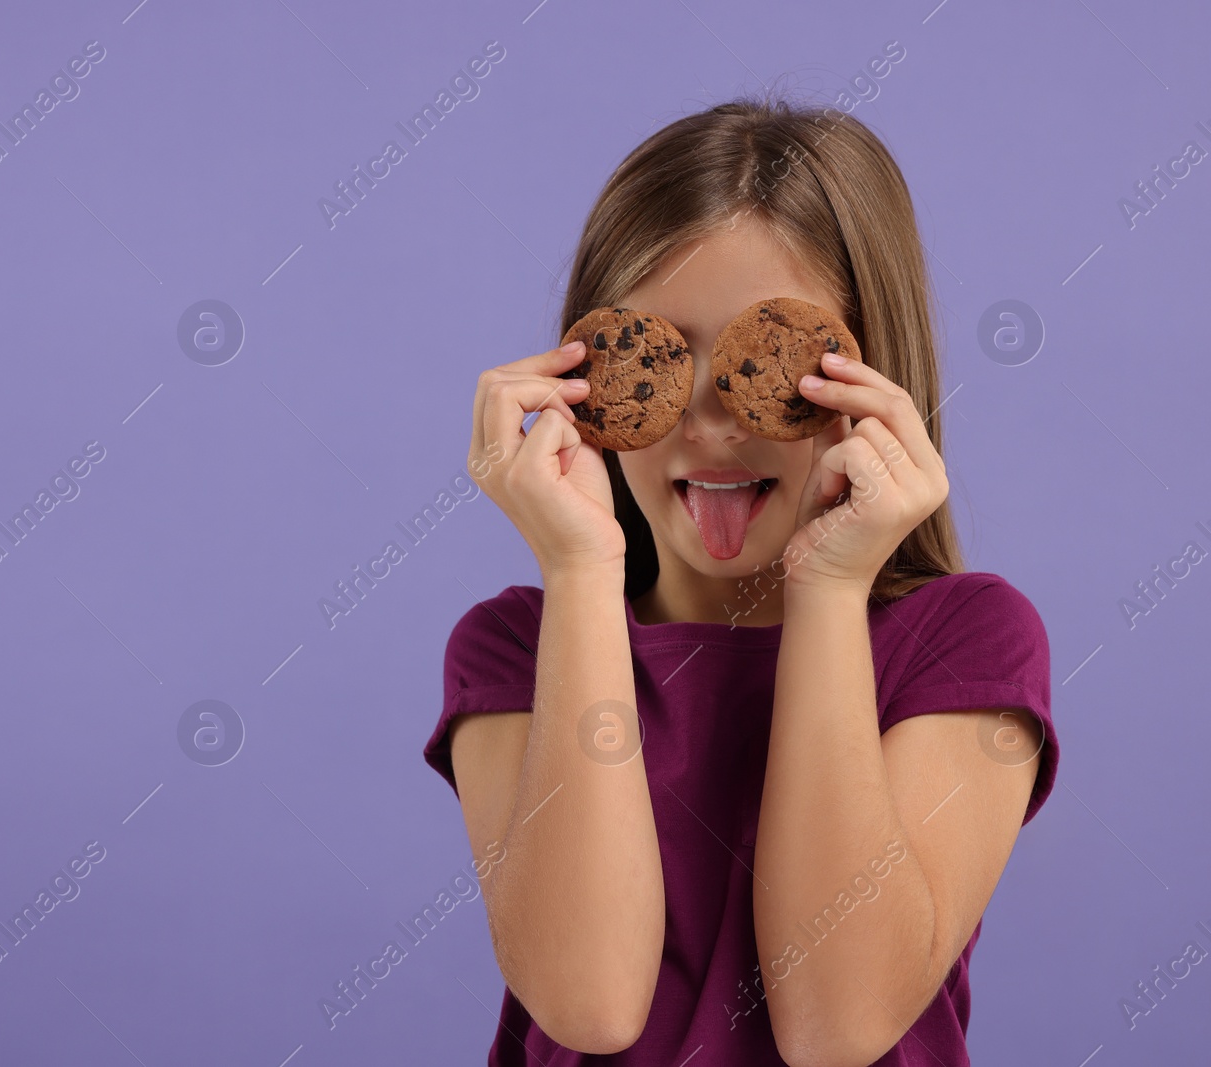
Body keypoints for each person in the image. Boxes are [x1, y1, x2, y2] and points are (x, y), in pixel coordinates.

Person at [422, 94, 1058, 1066]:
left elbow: (835, 1025)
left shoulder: (966, 643)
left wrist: (833, 587)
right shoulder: (514, 648)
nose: (712, 421)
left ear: (871, 376)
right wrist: (582, 568)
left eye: (771, 363)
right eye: (660, 359)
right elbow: (589, 1002)